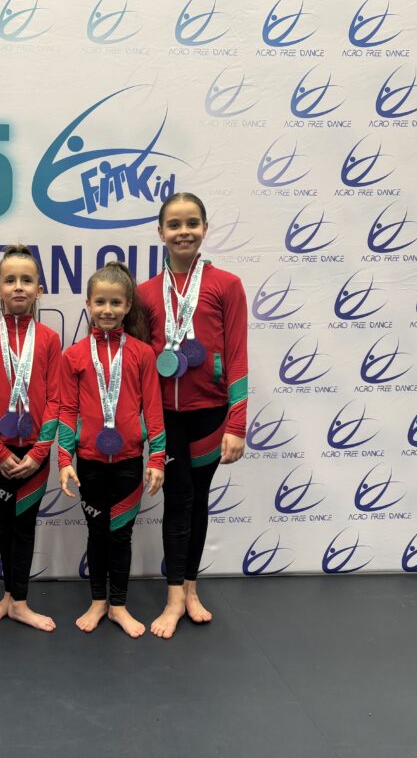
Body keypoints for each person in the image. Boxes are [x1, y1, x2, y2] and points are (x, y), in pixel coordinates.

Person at [138, 192, 248, 640]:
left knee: (197, 499)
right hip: (165, 417)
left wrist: (237, 423)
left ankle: (190, 589)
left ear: (204, 228)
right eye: (174, 224)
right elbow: (140, 363)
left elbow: (237, 355)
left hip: (210, 415)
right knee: (176, 498)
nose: (183, 232)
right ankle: (173, 598)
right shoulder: (146, 293)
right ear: (160, 232)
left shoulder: (227, 285)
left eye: (191, 223)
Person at [58, 261, 165, 639]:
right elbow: (67, 411)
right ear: (88, 303)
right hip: (88, 462)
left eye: (115, 302)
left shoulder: (142, 354)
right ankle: (97, 601)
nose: (107, 309)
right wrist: (64, 458)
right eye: (100, 301)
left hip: (128, 463)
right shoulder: (73, 356)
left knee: (120, 534)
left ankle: (118, 604)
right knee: (96, 532)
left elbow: (153, 410)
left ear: (128, 305)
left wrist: (157, 457)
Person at [0, 245, 61, 632]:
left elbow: (56, 399)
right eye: (10, 280)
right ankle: (8, 596)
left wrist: (40, 452)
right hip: (1, 451)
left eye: (27, 280)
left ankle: (20, 602)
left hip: (35, 452)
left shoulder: (50, 339)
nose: (19, 287)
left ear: (39, 290)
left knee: (25, 523)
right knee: (5, 522)